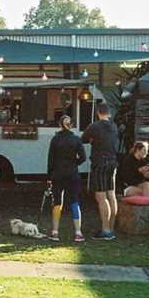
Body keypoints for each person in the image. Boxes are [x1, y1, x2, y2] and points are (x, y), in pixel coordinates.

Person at [81, 103, 119, 241]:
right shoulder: (114, 126)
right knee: (111, 194)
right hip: (113, 161)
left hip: (100, 162)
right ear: (109, 113)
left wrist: (93, 140)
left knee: (101, 197)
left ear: (98, 113)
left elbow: (83, 139)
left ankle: (106, 230)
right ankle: (112, 227)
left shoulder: (94, 126)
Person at [46, 115, 86, 243]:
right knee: (74, 201)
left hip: (57, 174)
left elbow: (50, 160)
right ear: (71, 125)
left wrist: (49, 176)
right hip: (72, 174)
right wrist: (75, 163)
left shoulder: (55, 139)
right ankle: (78, 233)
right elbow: (83, 157)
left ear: (59, 125)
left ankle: (55, 232)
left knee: (57, 202)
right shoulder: (76, 139)